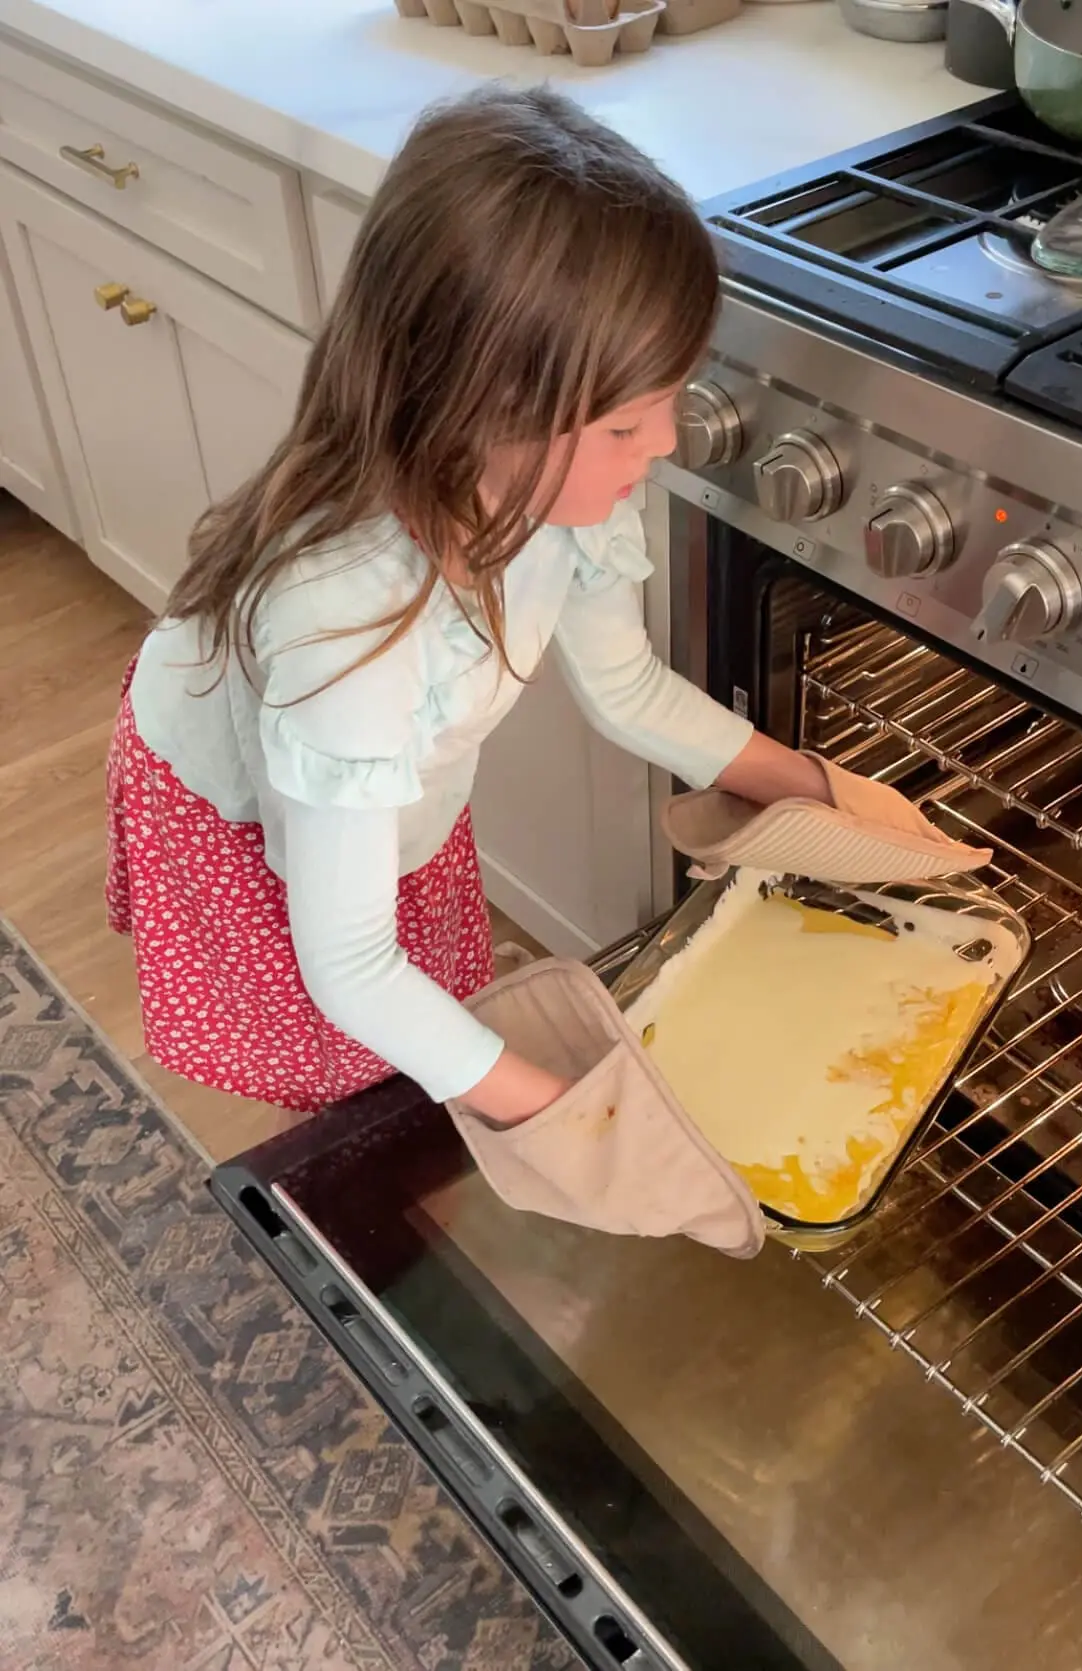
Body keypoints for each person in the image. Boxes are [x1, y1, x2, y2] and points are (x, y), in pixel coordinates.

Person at [105, 83, 963, 1127]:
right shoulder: (345, 632)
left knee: (415, 1001)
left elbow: (627, 690)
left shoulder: (559, 492)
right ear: (477, 409)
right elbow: (349, 967)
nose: (664, 445)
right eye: (624, 426)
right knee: (338, 1070)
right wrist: (580, 1124)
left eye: (669, 404)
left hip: (371, 781)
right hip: (248, 811)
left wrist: (813, 792)